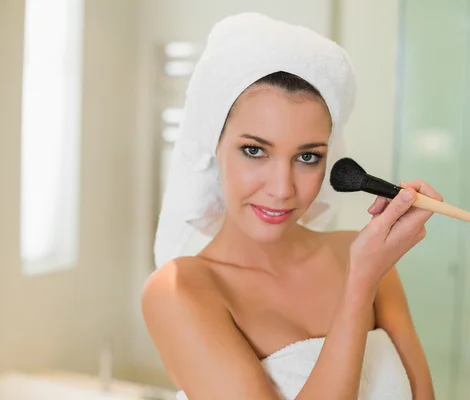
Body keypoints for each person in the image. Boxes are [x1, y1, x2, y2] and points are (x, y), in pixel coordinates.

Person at [142, 13, 439, 400]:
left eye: (308, 157)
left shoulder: (370, 260)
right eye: (254, 151)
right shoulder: (179, 290)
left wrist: (368, 271)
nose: (282, 189)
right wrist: (358, 284)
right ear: (214, 144)